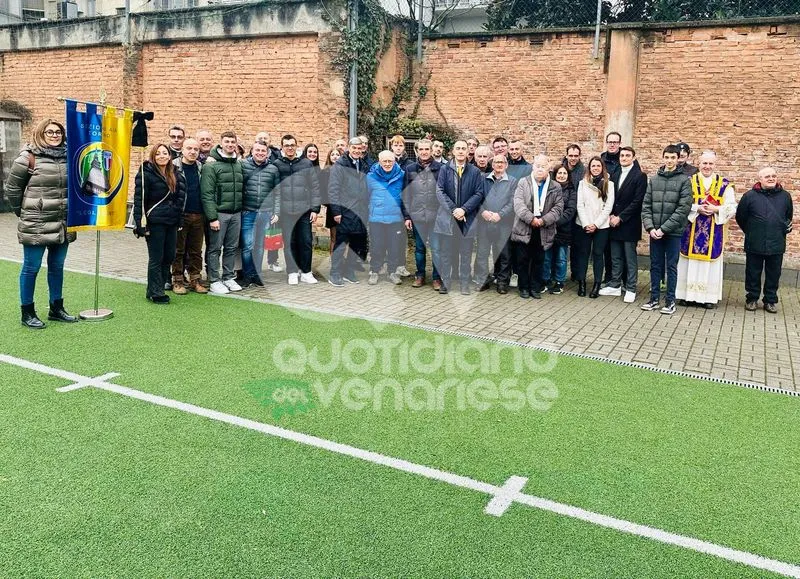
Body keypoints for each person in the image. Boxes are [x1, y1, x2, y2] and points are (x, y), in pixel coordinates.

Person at [4, 118, 77, 328]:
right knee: (31, 267)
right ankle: (27, 312)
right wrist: (24, 211)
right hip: (36, 222)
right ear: (40, 134)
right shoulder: (28, 157)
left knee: (57, 266)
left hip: (63, 221)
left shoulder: (69, 157)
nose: (55, 135)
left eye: (58, 132)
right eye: (50, 132)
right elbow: (12, 188)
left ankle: (56, 308)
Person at [675, 151, 736, 308]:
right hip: (691, 229)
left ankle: (708, 298)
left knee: (710, 265)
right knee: (688, 263)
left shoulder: (725, 185)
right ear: (699, 164)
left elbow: (731, 207)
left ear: (715, 165)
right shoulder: (688, 181)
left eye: (710, 163)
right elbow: (680, 202)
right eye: (704, 163)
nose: (707, 166)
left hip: (713, 229)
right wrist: (697, 208)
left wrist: (716, 209)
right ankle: (686, 296)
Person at [640, 144, 692, 315]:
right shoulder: (654, 180)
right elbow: (646, 205)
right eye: (667, 157)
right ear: (663, 158)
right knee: (655, 265)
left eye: (673, 158)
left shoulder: (684, 181)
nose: (669, 161)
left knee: (671, 266)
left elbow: (683, 208)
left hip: (673, 232)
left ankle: (670, 301)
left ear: (678, 159)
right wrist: (650, 227)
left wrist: (664, 229)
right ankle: (654, 298)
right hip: (655, 231)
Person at [134, 143, 186, 304]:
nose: (162, 156)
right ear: (153, 156)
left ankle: (156, 287)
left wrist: (179, 219)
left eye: (165, 153)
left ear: (170, 156)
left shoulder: (176, 174)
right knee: (156, 257)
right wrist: (139, 223)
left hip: (171, 221)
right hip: (154, 222)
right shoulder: (146, 173)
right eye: (158, 154)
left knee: (169, 255)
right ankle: (157, 292)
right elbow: (139, 199)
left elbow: (180, 198)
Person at [736, 167, 792, 314]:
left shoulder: (785, 196)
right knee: (753, 272)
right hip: (755, 241)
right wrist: (752, 231)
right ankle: (752, 299)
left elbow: (788, 216)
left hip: (777, 242)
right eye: (767, 176)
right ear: (759, 179)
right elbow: (740, 217)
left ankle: (770, 300)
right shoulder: (749, 196)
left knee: (774, 274)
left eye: (774, 175)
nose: (771, 178)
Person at [434, 140, 486, 295]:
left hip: (467, 219)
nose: (461, 151)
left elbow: (479, 193)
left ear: (467, 151)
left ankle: (464, 284)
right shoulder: (445, 169)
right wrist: (453, 209)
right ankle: (446, 283)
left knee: (465, 254)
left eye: (464, 148)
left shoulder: (475, 171)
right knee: (446, 254)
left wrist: (464, 209)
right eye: (458, 148)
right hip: (447, 218)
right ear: (453, 151)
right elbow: (440, 191)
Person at [510, 154, 563, 299]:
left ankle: (535, 288)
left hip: (544, 229)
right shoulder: (523, 182)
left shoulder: (555, 187)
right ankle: (524, 288)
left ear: (549, 168)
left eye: (543, 166)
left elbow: (558, 208)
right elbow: (518, 204)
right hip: (524, 227)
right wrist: (531, 219)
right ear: (533, 167)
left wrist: (543, 220)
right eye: (538, 166)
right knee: (522, 260)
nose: (540, 169)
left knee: (539, 260)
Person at [599, 146, 646, 303]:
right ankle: (615, 284)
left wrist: (621, 217)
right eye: (622, 155)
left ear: (633, 157)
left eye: (627, 155)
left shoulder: (640, 176)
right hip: (614, 222)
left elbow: (637, 201)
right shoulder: (614, 174)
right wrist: (612, 215)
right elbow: (610, 197)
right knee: (616, 256)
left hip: (629, 223)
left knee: (629, 258)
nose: (624, 158)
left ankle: (631, 287)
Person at [273, 134, 321, 285]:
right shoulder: (276, 164)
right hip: (286, 212)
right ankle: (292, 272)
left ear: (296, 146)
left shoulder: (306, 164)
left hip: (304, 211)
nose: (290, 148)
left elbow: (315, 187)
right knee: (290, 243)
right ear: (282, 147)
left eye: (292, 145)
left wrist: (315, 209)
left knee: (306, 242)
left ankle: (306, 272)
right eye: (286, 145)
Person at [200, 131, 245, 294]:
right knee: (215, 248)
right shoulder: (211, 165)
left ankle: (228, 277)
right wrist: (212, 217)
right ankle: (214, 279)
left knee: (231, 248)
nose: (230, 144)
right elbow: (207, 193)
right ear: (221, 143)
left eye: (233, 142)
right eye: (227, 141)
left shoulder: (239, 164)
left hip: (236, 213)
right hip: (219, 214)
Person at [328, 137, 370, 285]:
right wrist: (336, 211)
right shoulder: (340, 165)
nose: (357, 151)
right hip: (345, 211)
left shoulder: (363, 164)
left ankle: (349, 271)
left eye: (360, 149)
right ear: (349, 149)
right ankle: (335, 274)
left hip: (361, 210)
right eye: (354, 148)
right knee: (341, 244)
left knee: (357, 244)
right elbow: (333, 189)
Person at [365, 151, 409, 286]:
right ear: (379, 161)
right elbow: (366, 195)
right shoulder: (370, 176)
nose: (388, 164)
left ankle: (392, 272)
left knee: (394, 247)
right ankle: (374, 271)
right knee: (376, 246)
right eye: (385, 161)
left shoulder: (402, 175)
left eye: (390, 161)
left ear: (394, 161)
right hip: (376, 218)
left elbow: (406, 196)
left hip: (395, 218)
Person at [240, 140, 281, 287]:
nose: (260, 153)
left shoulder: (273, 169)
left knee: (259, 246)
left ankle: (257, 275)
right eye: (257, 150)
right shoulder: (243, 165)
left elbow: (277, 192)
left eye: (263, 151)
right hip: (248, 211)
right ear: (252, 151)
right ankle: (247, 275)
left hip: (265, 213)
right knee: (247, 246)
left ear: (267, 153)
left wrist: (276, 211)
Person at [404, 139, 443, 289]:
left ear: (432, 150)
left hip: (435, 216)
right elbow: (406, 194)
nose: (424, 152)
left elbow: (445, 193)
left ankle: (436, 278)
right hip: (417, 216)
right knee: (419, 248)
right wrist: (407, 216)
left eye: (427, 149)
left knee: (436, 248)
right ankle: (419, 275)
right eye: (421, 149)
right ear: (417, 151)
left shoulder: (441, 168)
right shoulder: (410, 169)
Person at [574, 157, 615, 298]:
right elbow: (579, 205)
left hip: (601, 226)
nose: (595, 168)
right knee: (583, 254)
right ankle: (582, 283)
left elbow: (608, 207)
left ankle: (597, 284)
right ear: (589, 168)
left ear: (602, 167)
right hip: (584, 224)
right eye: (593, 166)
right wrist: (587, 224)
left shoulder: (609, 184)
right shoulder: (582, 183)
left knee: (598, 254)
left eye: (598, 166)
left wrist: (596, 224)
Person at [170, 138, 207, 294]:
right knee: (178, 250)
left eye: (196, 149)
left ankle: (195, 279)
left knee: (195, 250)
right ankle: (177, 280)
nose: (192, 152)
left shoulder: (201, 168)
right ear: (182, 150)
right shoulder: (173, 167)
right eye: (189, 148)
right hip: (181, 214)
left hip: (198, 214)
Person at [475, 155, 516, 294]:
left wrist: (500, 214)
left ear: (506, 165)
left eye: (502, 162)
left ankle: (502, 282)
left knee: (504, 254)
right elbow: (476, 197)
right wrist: (483, 212)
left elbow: (512, 202)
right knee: (482, 253)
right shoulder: (482, 178)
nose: (499, 164)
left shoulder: (512, 181)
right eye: (496, 162)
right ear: (492, 165)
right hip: (484, 222)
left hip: (503, 223)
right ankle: (483, 280)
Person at [542, 164, 576, 295]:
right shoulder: (548, 189)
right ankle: (545, 280)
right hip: (548, 228)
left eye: (564, 174)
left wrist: (555, 221)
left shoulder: (572, 191)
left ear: (568, 176)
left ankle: (559, 282)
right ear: (554, 175)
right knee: (546, 257)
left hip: (564, 229)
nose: (562, 176)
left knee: (561, 258)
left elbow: (570, 210)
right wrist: (548, 221)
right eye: (559, 173)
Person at [321, 148, 341, 253]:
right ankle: (333, 261)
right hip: (332, 208)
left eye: (337, 154)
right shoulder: (325, 172)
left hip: (344, 208)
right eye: (332, 154)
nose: (335, 156)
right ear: (329, 157)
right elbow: (324, 192)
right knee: (334, 237)